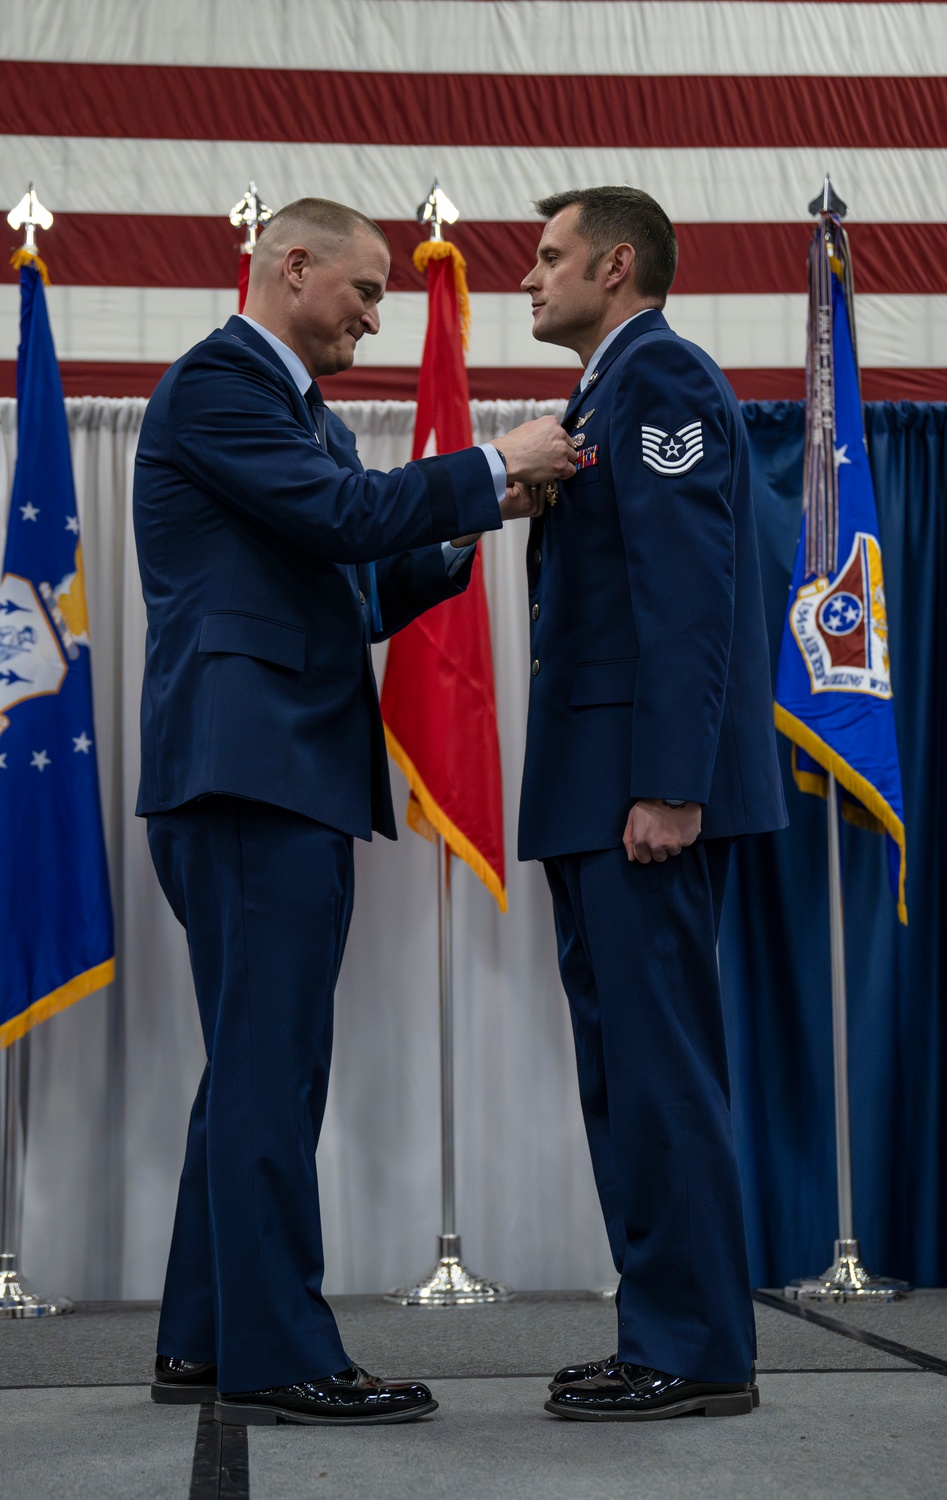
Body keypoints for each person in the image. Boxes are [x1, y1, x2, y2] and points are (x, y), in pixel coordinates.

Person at [133, 197, 576, 1427]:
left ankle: (204, 1339)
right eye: (368, 290)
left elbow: (353, 585)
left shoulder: (296, 414)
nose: (378, 318)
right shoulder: (220, 384)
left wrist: (479, 519)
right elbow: (340, 523)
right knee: (273, 1071)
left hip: (273, 772)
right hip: (249, 773)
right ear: (291, 264)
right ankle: (281, 1357)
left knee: (252, 1069)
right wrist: (490, 464)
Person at [515, 187, 787, 1421]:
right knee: (623, 1074)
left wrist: (671, 784)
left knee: (659, 1069)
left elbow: (689, 592)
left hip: (639, 793)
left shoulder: (659, 379)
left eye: (549, 256)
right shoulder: (603, 393)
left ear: (617, 265)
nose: (530, 277)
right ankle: (659, 1331)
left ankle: (692, 1348)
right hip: (597, 787)